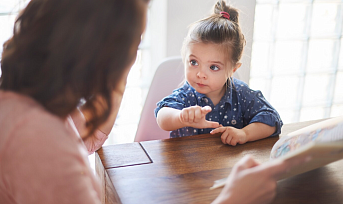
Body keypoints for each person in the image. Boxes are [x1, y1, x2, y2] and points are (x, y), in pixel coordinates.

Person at [0, 0, 309, 203]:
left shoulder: (36, 105)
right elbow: (163, 114)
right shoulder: (35, 140)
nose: (133, 57)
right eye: (132, 45)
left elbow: (88, 138)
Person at [155, 0, 283, 146]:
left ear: (233, 70)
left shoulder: (241, 94)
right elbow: (162, 117)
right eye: (194, 62)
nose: (200, 74)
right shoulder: (186, 95)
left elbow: (272, 120)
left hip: (227, 166)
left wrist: (245, 133)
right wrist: (181, 117)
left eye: (213, 67)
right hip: (186, 166)